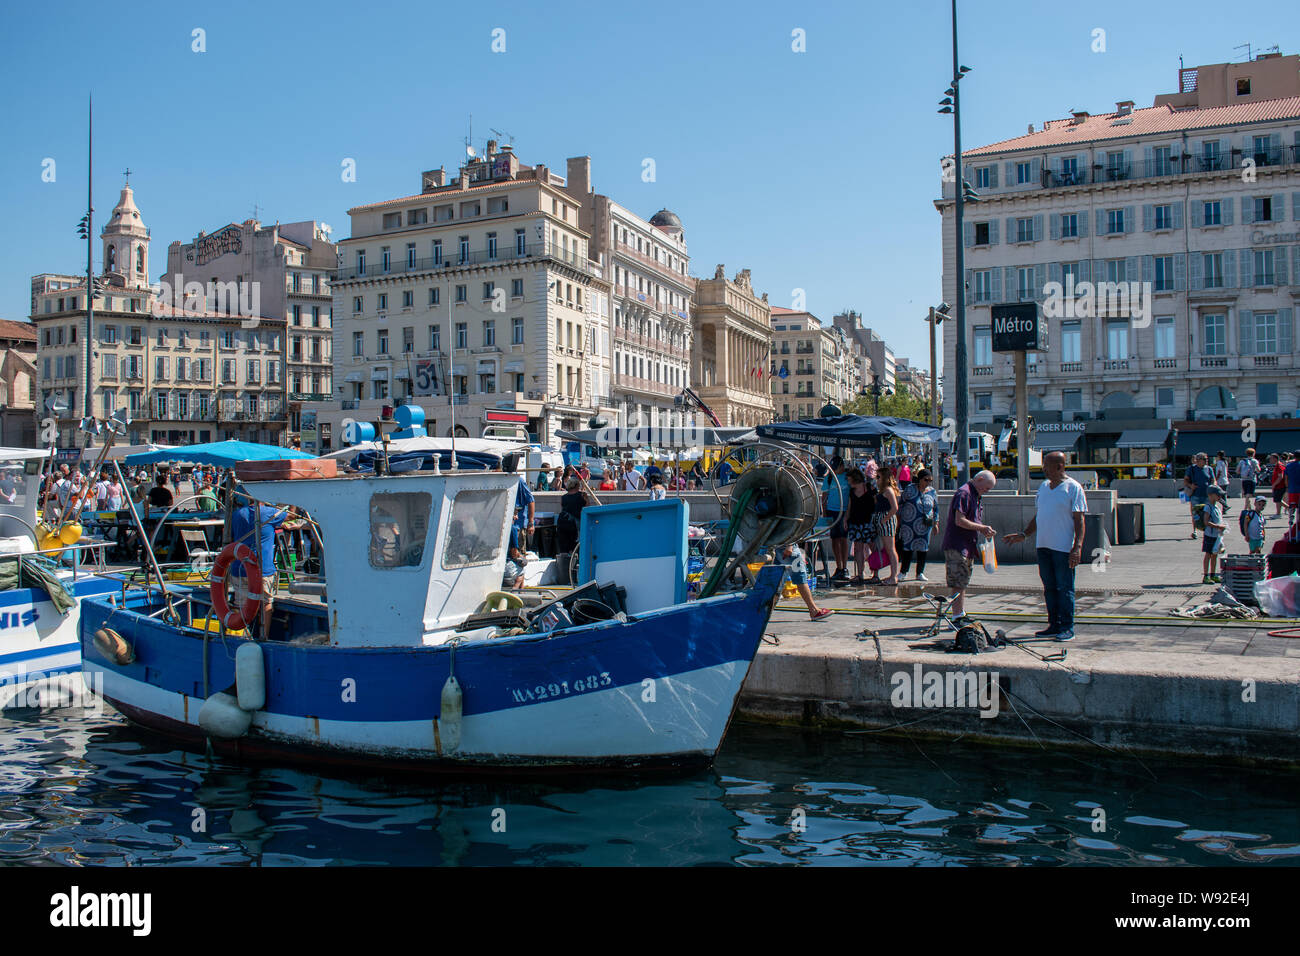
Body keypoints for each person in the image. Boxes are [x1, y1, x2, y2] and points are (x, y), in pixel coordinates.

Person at [1003, 452, 1086, 642]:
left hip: (1063, 548)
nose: (1044, 468)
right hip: (1044, 546)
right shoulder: (1043, 487)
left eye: (1047, 465)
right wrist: (1024, 534)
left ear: (1059, 466)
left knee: (1065, 588)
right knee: (1049, 588)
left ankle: (1067, 627)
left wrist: (1077, 546)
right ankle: (1054, 625)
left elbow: (1079, 520)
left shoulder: (1073, 488)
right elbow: (1040, 515)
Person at [942, 469, 997, 625]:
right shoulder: (964, 493)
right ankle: (957, 615)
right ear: (978, 479)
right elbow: (959, 520)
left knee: (962, 580)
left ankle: (960, 613)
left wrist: (982, 529)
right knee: (958, 581)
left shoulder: (974, 494)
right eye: (986, 488)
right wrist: (981, 528)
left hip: (966, 545)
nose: (986, 491)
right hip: (958, 545)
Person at [230, 493, 291, 633]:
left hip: (239, 568)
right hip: (262, 569)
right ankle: (264, 635)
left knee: (240, 604)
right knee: (266, 603)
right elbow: (291, 516)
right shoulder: (269, 513)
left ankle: (240, 636)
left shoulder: (237, 514)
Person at [897, 469, 938, 582]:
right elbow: (901, 504)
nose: (928, 483)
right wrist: (898, 521)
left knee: (923, 548)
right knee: (907, 548)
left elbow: (936, 508)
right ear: (919, 479)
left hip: (925, 526)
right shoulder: (910, 489)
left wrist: (936, 523)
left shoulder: (932, 491)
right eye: (926, 480)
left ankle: (920, 572)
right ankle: (903, 572)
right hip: (909, 524)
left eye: (930, 480)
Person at [776, 541, 833, 621]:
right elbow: (790, 529)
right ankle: (814, 610)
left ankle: (762, 612)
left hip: (776, 546)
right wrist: (790, 545)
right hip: (786, 548)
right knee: (800, 578)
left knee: (774, 582)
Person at [844, 468, 875, 585]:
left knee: (872, 546)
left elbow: (876, 502)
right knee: (858, 548)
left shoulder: (869, 487)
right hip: (855, 521)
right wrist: (845, 519)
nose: (848, 481)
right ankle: (860, 573)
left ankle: (875, 572)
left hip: (868, 521)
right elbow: (849, 507)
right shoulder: (852, 491)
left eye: (849, 479)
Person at [821, 456, 850, 582]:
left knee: (844, 539)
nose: (835, 470)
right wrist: (825, 513)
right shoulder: (829, 478)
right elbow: (824, 497)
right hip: (832, 511)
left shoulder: (847, 477)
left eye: (836, 468)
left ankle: (845, 566)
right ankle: (838, 566)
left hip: (844, 511)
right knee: (835, 539)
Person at [873, 465, 901, 586]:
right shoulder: (882, 490)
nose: (877, 479)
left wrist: (885, 519)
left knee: (890, 548)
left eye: (878, 477)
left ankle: (894, 576)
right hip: (881, 519)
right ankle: (891, 574)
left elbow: (895, 507)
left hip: (887, 520)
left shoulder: (889, 490)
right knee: (886, 548)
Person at [1200, 486, 1227, 585]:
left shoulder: (1217, 507)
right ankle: (1206, 575)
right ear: (1210, 495)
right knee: (1208, 554)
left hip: (1217, 535)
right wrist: (1218, 526)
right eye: (1217, 495)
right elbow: (1206, 522)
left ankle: (1213, 574)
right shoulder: (1208, 507)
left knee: (1215, 554)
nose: (1220, 496)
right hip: (1209, 535)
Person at [1183, 453, 1212, 539]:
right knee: (1195, 514)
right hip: (1195, 495)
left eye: (1206, 459)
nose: (1206, 460)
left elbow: (1213, 480)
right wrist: (1190, 485)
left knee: (1207, 513)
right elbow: (1185, 481)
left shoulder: (1209, 469)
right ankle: (1195, 530)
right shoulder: (1191, 469)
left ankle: (1206, 531)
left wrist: (1212, 487)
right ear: (1198, 460)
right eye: (1204, 459)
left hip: (1207, 495)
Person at [557, 476, 587, 555]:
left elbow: (562, 508)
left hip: (562, 522)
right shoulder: (581, 496)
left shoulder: (563, 497)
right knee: (574, 547)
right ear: (577, 485)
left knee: (564, 547)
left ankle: (564, 562)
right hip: (573, 524)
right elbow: (587, 508)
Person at [511, 472, 535, 551]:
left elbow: (531, 500)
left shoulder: (519, 481)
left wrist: (531, 523)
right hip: (506, 527)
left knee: (519, 553)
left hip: (518, 526)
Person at [1285, 450, 1300, 516]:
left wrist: (1287, 487)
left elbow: (1286, 478)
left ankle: (1291, 519)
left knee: (1292, 506)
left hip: (1292, 489)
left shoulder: (1288, 466)